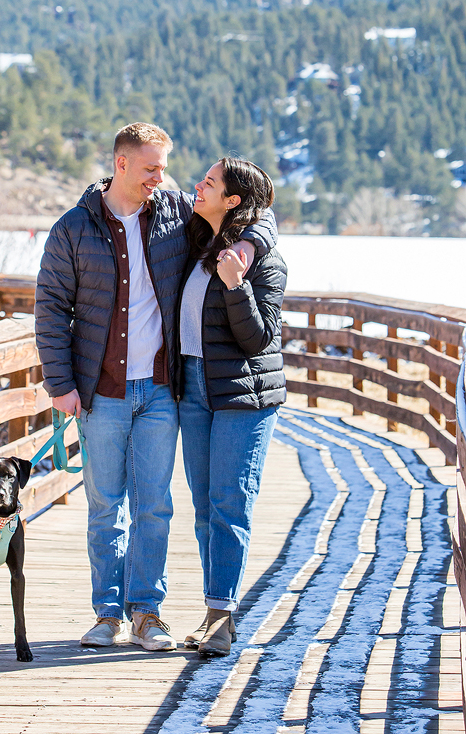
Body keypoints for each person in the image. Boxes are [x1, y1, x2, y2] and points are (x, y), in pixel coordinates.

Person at [34, 124, 277, 651]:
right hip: (101, 390)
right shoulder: (73, 229)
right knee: (105, 504)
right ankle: (107, 613)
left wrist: (254, 244)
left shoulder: (171, 214)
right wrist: (60, 383)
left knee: (156, 505)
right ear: (121, 164)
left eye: (163, 168)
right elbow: (51, 309)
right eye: (151, 168)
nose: (162, 179)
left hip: (165, 390)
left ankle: (148, 612)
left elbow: (252, 212)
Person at [177, 156, 287, 658]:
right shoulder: (200, 244)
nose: (198, 186)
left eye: (210, 182)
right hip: (194, 389)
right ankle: (211, 610)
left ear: (233, 200)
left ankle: (223, 617)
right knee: (204, 510)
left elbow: (258, 337)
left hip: (243, 395)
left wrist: (235, 284)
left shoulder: (262, 261)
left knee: (229, 506)